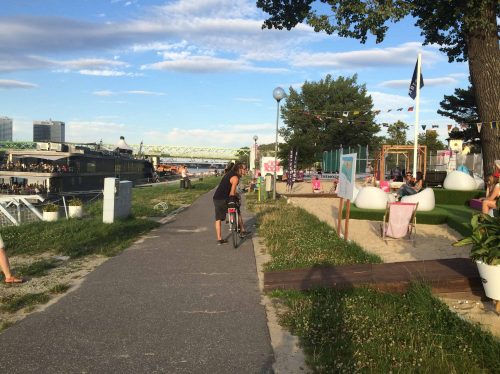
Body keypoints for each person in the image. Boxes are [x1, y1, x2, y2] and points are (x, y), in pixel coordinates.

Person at [212, 162, 250, 245]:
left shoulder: (228, 174)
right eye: (244, 169)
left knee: (218, 218)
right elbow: (232, 193)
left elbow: (227, 188)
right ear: (239, 169)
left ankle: (219, 239)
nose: (246, 170)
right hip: (224, 199)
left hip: (216, 198)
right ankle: (242, 230)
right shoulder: (235, 178)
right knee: (237, 209)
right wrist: (237, 196)